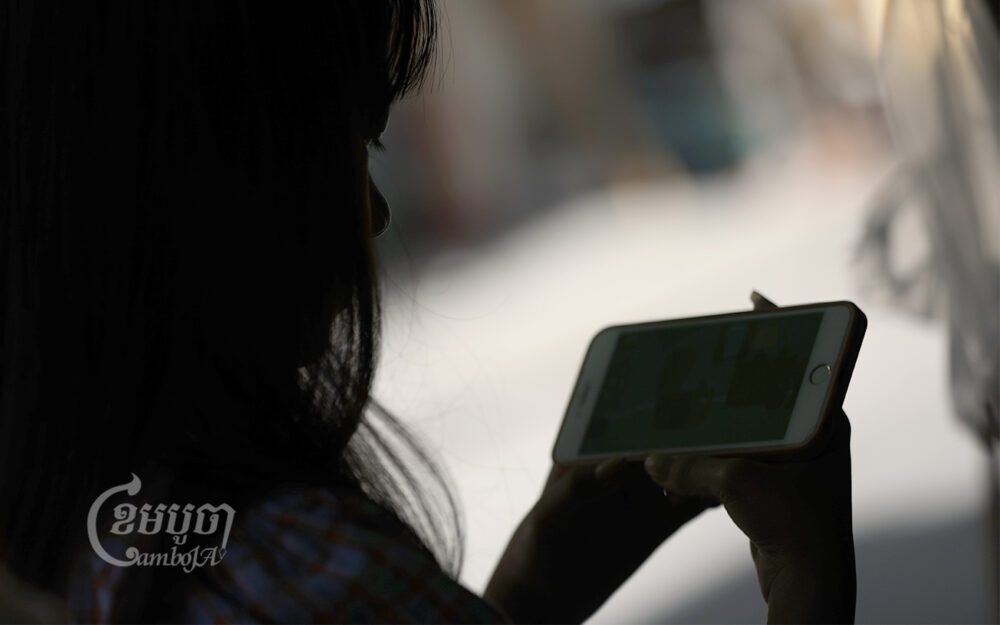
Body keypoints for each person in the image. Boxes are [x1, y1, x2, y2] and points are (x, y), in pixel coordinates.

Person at [0, 1, 856, 622]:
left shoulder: (83, 524)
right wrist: (808, 575)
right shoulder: (311, 569)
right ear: (216, 185)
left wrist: (531, 588)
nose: (373, 212)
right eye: (352, 143)